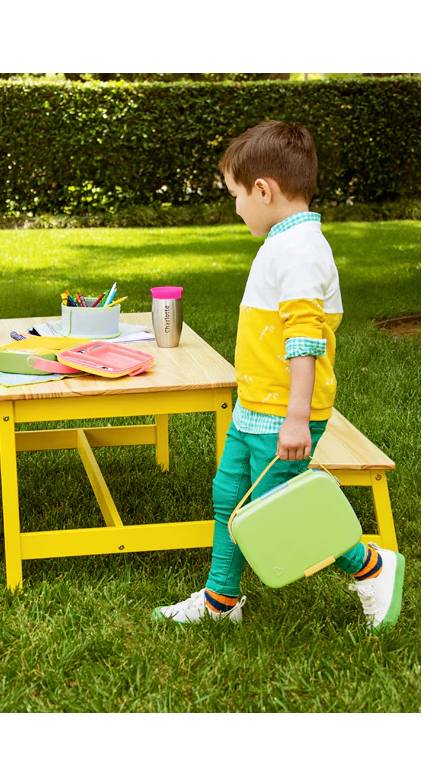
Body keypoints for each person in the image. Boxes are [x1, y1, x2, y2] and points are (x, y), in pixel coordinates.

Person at [152, 121, 405, 630]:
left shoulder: (300, 250)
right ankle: (221, 601)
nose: (236, 208)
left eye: (236, 196)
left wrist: (296, 418)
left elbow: (304, 340)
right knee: (231, 497)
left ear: (263, 190)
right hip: (255, 407)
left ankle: (371, 566)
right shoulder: (284, 242)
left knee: (279, 511)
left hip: (282, 414)